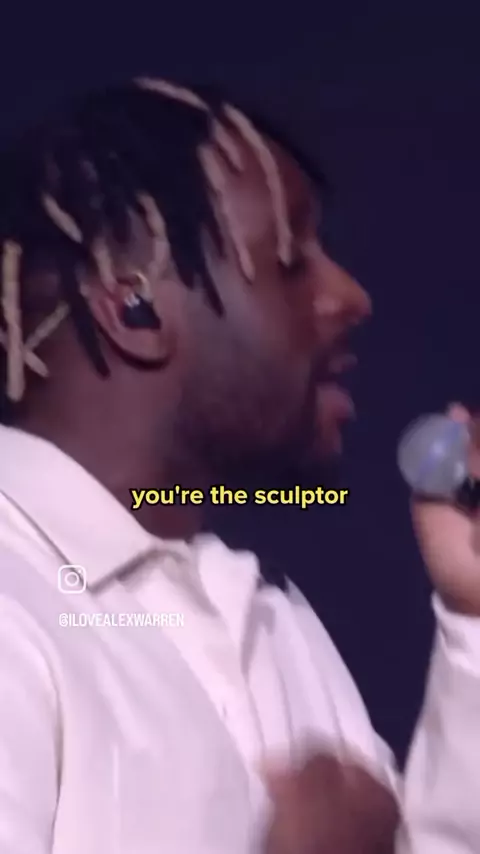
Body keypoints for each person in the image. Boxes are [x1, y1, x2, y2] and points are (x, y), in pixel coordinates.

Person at [0, 75, 478, 854]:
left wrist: (472, 623)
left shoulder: (267, 615)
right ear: (134, 310)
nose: (351, 295)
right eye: (292, 262)